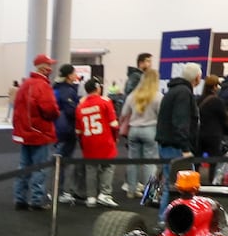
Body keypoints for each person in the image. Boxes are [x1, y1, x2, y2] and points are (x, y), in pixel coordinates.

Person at [11, 54, 59, 212]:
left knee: (24, 166)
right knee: (40, 168)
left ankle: (20, 199)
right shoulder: (42, 85)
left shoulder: (25, 84)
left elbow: (17, 108)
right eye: (49, 65)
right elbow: (49, 109)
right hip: (39, 133)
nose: (51, 68)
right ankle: (37, 200)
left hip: (25, 132)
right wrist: (56, 115)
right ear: (44, 67)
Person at [155, 62, 202, 214]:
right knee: (179, 186)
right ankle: (168, 221)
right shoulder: (183, 93)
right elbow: (180, 122)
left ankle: (166, 220)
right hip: (176, 147)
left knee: (172, 184)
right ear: (197, 77)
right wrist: (186, 148)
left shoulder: (174, 91)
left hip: (168, 145)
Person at [75, 79, 119, 207]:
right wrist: (115, 138)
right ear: (98, 88)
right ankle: (105, 194)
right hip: (104, 140)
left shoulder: (80, 106)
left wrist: (83, 145)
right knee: (108, 167)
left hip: (88, 141)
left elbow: (78, 131)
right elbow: (114, 125)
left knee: (90, 169)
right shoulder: (105, 102)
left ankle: (91, 197)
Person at [119, 67, 161, 199]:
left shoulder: (133, 95)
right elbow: (162, 116)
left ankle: (131, 190)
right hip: (150, 130)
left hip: (134, 130)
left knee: (133, 162)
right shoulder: (158, 96)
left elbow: (123, 114)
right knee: (150, 163)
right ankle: (150, 193)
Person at [53, 63, 84, 203]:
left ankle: (57, 191)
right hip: (66, 130)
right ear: (69, 75)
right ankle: (60, 192)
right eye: (73, 73)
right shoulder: (67, 90)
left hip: (58, 129)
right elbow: (72, 110)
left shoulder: (57, 88)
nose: (75, 75)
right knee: (63, 161)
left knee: (60, 161)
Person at [196, 75, 228, 174]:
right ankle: (212, 184)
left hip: (199, 134)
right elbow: (224, 119)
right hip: (214, 135)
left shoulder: (198, 100)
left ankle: (194, 182)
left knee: (196, 162)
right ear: (215, 87)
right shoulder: (217, 101)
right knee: (214, 163)